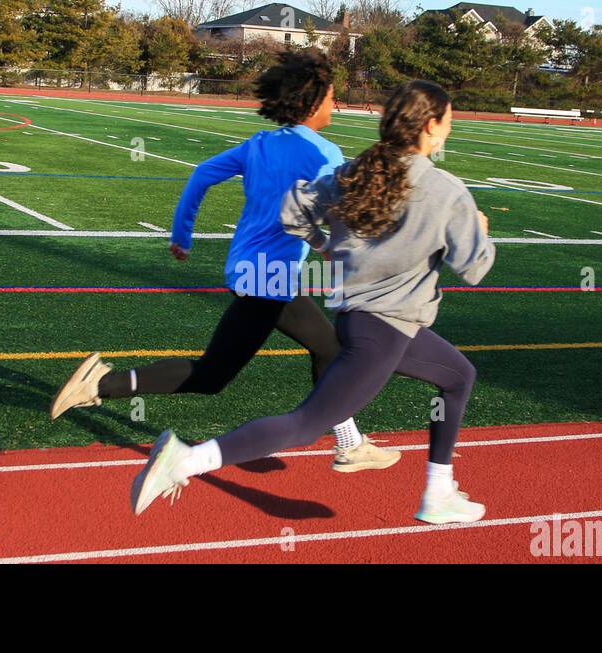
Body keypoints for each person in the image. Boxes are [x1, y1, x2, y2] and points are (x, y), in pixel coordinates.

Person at [131, 80, 497, 524]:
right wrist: (479, 227)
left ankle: (438, 492)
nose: (451, 128)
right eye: (450, 119)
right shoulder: (447, 191)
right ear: (431, 125)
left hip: (363, 321)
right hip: (384, 332)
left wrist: (325, 245)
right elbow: (474, 268)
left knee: (459, 376)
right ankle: (185, 460)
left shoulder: (357, 171)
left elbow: (293, 211)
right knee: (305, 424)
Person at [50, 50, 399, 473]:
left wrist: (182, 235)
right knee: (330, 349)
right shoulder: (325, 154)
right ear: (312, 102)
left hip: (245, 270)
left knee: (213, 375)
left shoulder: (258, 144)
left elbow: (201, 174)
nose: (334, 104)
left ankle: (101, 384)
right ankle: (349, 442)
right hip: (272, 277)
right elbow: (339, 212)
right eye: (330, 96)